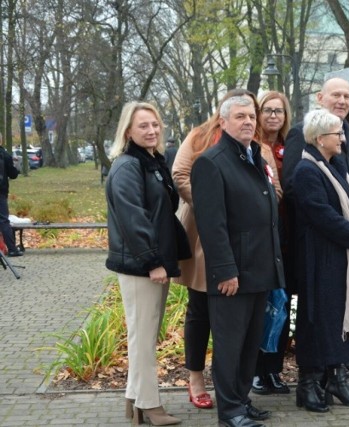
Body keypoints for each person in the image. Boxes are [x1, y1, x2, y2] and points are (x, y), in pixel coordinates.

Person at [172, 89, 280, 411]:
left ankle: (241, 401)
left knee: (249, 343)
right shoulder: (210, 161)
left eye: (251, 116)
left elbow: (269, 194)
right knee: (230, 342)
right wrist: (226, 269)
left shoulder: (256, 155)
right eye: (240, 116)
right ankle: (230, 408)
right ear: (223, 120)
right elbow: (213, 225)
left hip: (258, 263)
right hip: (232, 264)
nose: (248, 122)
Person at [282, 77, 349, 376]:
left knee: (345, 302)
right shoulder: (304, 134)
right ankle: (318, 373)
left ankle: (339, 361)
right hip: (322, 240)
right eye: (336, 95)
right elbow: (293, 186)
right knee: (320, 309)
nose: (342, 100)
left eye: (347, 96)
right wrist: (342, 225)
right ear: (320, 97)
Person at [105, 101, 190, 426]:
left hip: (153, 263)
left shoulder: (150, 161)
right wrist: (153, 262)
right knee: (142, 337)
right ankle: (149, 406)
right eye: (143, 126)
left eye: (154, 124)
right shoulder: (128, 166)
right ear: (128, 131)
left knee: (144, 335)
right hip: (142, 267)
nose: (152, 131)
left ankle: (134, 399)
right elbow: (133, 219)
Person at [292, 108, 349, 412]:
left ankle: (336, 380)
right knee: (319, 320)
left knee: (337, 316)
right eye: (336, 134)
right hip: (320, 258)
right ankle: (308, 385)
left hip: (342, 256)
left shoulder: (336, 164)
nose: (343, 138)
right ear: (319, 138)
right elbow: (322, 216)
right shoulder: (306, 171)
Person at [252, 90, 292, 396]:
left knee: (282, 306)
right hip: (259, 238)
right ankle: (255, 370)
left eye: (279, 111)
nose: (273, 116)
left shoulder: (290, 147)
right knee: (260, 306)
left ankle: (274, 370)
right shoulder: (252, 147)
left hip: (286, 237)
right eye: (267, 110)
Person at [0, 134, 22, 257]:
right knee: (3, 220)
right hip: (1, 192)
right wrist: (17, 166)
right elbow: (13, 175)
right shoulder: (6, 155)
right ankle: (12, 249)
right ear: (1, 141)